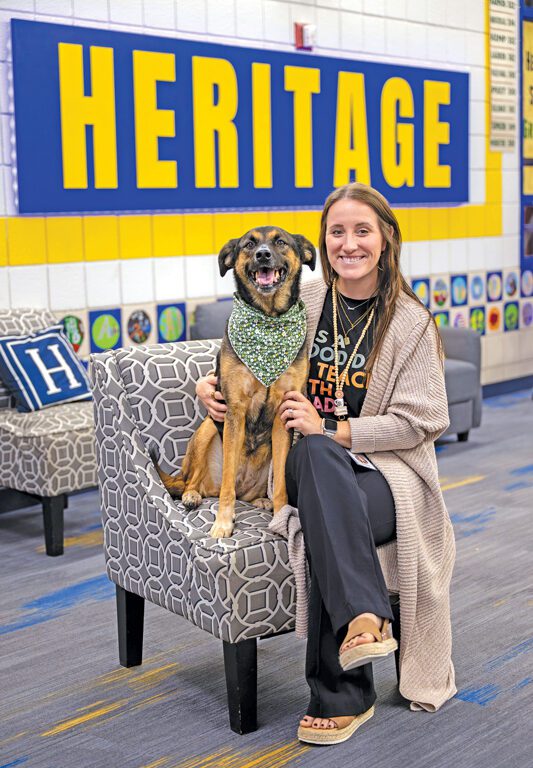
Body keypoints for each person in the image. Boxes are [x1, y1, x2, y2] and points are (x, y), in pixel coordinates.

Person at [196, 182, 456, 744]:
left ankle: (343, 692)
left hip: (386, 476)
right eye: (337, 231)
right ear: (321, 242)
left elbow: (426, 419)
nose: (349, 243)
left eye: (362, 230)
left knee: (323, 489)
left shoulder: (412, 323)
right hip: (304, 462)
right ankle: (362, 628)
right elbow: (243, 355)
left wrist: (338, 429)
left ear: (386, 239)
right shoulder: (303, 298)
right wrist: (207, 387)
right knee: (314, 460)